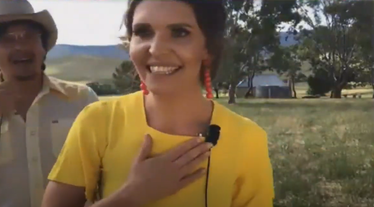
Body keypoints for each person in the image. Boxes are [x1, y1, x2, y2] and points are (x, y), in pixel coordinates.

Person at [42, 0, 274, 207]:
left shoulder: (247, 138)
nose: (156, 48)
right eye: (143, 32)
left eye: (179, 32)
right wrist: (130, 197)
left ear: (207, 48)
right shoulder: (98, 121)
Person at [0, 0, 98, 206]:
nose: (20, 46)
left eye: (29, 36)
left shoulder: (82, 99)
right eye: (6, 39)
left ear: (44, 47)